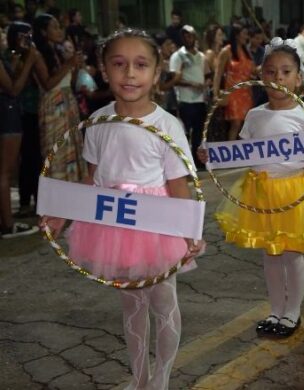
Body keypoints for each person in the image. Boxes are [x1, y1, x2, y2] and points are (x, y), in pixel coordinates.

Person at [41, 28, 203, 389]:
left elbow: (179, 185)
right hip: (113, 227)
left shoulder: (168, 126)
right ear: (104, 70)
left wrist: (190, 230)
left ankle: (160, 379)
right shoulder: (97, 122)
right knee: (131, 306)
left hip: (156, 225)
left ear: (156, 73)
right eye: (119, 64)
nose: (130, 73)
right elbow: (93, 181)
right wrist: (65, 214)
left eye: (141, 65)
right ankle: (139, 377)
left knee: (163, 303)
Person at [200, 37, 304, 337]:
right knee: (270, 256)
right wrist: (211, 154)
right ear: (261, 77)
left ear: (299, 78)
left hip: (294, 193)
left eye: (286, 72)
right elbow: (241, 154)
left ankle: (293, 313)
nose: (278, 78)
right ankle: (276, 309)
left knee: (291, 254)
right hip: (261, 192)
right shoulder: (255, 115)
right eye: (271, 72)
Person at [32, 13, 87, 182]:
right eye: (54, 27)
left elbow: (70, 81)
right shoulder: (37, 54)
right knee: (56, 151)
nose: (59, 31)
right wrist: (69, 64)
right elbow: (48, 84)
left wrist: (76, 66)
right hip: (54, 105)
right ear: (43, 32)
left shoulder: (57, 51)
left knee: (71, 147)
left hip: (67, 101)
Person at [0, 22, 40, 238]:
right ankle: (8, 224)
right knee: (4, 172)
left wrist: (15, 64)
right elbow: (13, 89)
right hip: (6, 114)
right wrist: (30, 62)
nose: (3, 36)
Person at [169, 25, 208, 168]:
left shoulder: (201, 56)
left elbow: (207, 74)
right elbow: (174, 78)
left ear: (194, 37)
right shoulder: (178, 56)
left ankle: (198, 162)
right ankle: (184, 163)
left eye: (190, 35)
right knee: (185, 134)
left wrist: (206, 83)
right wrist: (192, 84)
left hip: (200, 100)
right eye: (185, 36)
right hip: (185, 100)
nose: (188, 38)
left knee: (198, 134)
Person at [213, 23, 255, 140]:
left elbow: (253, 71)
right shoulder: (227, 51)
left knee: (245, 125)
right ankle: (230, 152)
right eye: (244, 34)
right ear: (237, 35)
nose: (246, 37)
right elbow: (218, 73)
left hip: (246, 92)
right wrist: (215, 93)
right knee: (235, 123)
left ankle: (243, 152)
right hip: (232, 91)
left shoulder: (246, 51)